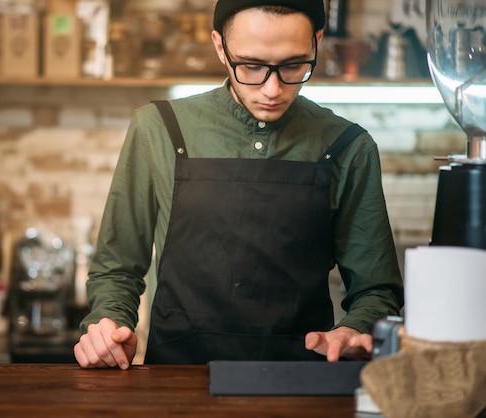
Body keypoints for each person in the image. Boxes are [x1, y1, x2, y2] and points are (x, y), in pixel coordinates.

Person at [74, 0, 404, 370]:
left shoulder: (347, 146)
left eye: (294, 65)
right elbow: (117, 267)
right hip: (177, 380)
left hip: (303, 381)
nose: (272, 89)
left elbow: (376, 289)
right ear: (220, 47)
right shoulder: (160, 129)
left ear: (317, 42)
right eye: (251, 66)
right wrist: (110, 326)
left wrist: (355, 329)